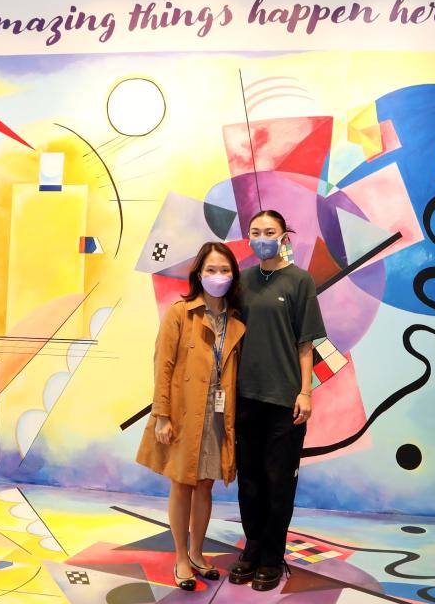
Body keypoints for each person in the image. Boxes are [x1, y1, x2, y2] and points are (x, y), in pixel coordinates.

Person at [135, 242, 246, 591]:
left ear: (234, 276)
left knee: (205, 483)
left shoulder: (236, 320)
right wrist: (162, 415)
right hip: (183, 413)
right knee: (182, 482)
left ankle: (198, 553)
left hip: (218, 414)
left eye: (224, 270)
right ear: (199, 274)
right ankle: (181, 557)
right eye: (211, 270)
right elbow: (163, 366)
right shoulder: (180, 313)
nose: (218, 276)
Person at [229, 210, 327, 591]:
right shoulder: (242, 281)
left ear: (284, 236)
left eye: (269, 232)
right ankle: (252, 547)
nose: (262, 238)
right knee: (249, 480)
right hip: (246, 396)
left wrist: (305, 391)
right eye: (255, 232)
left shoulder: (300, 281)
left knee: (278, 480)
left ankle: (272, 556)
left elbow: (306, 343)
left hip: (284, 399)